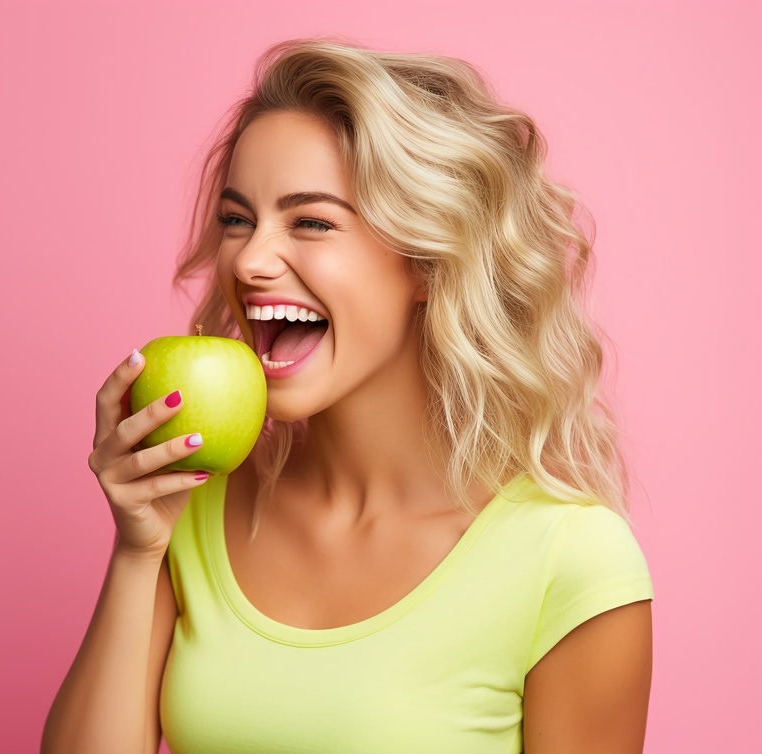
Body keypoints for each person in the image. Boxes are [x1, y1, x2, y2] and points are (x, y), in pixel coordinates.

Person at [42, 39, 654, 753]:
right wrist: (136, 550)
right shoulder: (194, 505)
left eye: (311, 222)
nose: (249, 259)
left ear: (428, 261)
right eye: (238, 220)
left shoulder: (569, 561)